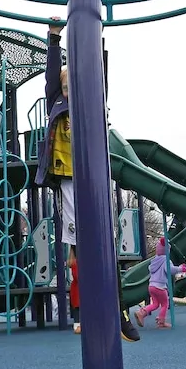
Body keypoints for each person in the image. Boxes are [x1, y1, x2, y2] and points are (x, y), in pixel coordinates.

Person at [35, 17, 142, 343]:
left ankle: (119, 307)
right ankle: (90, 308)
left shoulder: (90, 103)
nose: (67, 91)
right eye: (65, 87)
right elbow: (53, 78)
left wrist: (96, 40)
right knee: (79, 246)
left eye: (72, 87)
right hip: (67, 179)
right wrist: (54, 38)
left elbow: (100, 80)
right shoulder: (57, 101)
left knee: (105, 241)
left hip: (93, 178)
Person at [133, 237, 186, 329]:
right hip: (160, 286)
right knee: (165, 304)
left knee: (155, 304)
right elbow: (169, 270)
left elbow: (151, 269)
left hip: (151, 286)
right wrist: (181, 269)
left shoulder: (154, 261)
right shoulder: (166, 260)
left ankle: (142, 312)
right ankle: (161, 322)